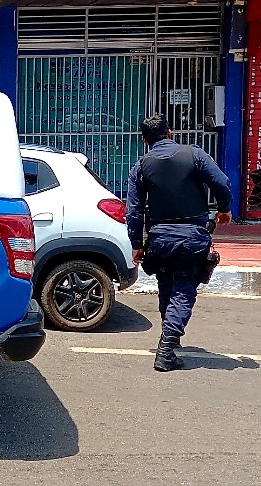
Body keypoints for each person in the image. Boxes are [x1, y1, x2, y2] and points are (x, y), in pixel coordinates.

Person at [126, 114, 232, 372]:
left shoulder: (140, 166)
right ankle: (166, 348)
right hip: (191, 237)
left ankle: (170, 337)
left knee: (166, 284)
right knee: (183, 289)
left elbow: (134, 210)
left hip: (160, 238)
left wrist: (136, 243)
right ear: (170, 133)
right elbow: (221, 182)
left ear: (144, 139)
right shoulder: (194, 154)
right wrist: (224, 208)